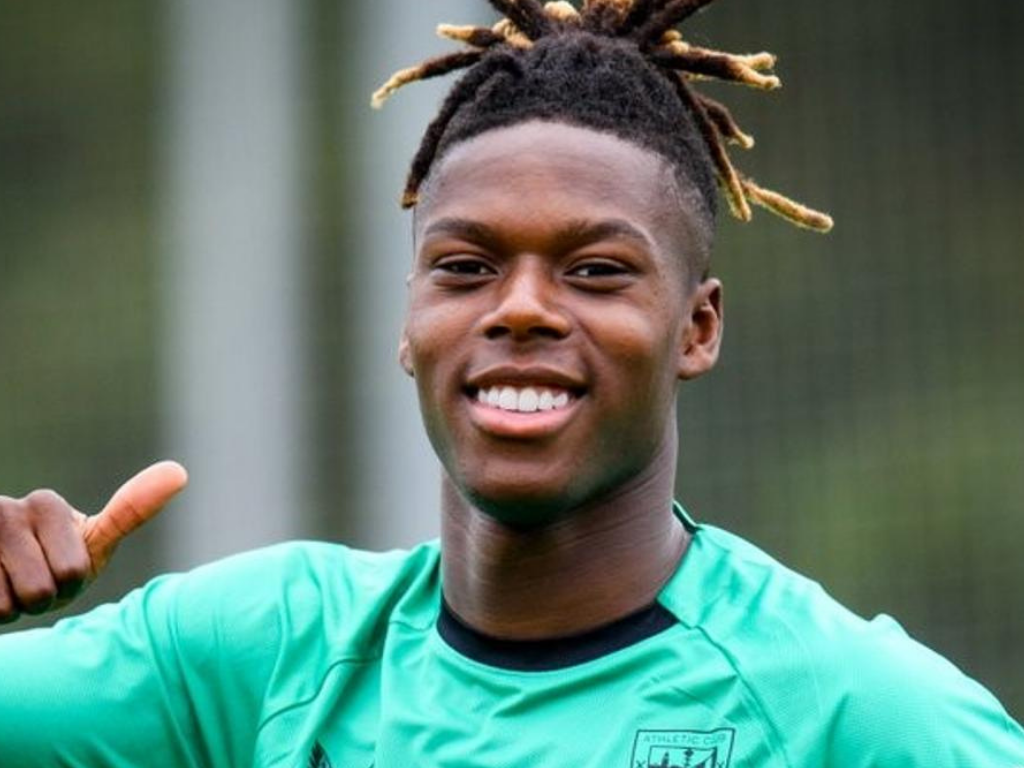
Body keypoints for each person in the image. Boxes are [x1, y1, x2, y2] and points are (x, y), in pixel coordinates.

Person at [0, 1, 1021, 766]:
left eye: (596, 271)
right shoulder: (256, 654)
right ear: (409, 322)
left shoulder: (850, 712)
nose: (521, 308)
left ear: (696, 329)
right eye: (465, 267)